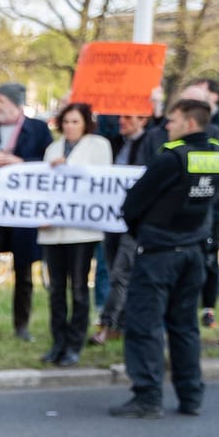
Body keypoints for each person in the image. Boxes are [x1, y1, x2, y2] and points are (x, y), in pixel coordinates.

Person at [109, 98, 219, 419]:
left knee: (145, 324)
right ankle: (191, 396)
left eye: (171, 121)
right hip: (194, 251)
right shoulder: (217, 156)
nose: (166, 126)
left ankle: (147, 396)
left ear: (189, 123)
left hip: (159, 252)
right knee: (185, 326)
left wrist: (140, 229)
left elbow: (133, 203)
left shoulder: (172, 158)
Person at [0, 83, 52, 344]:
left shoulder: (37, 129)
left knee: (24, 269)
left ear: (16, 103)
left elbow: (48, 165)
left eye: (1, 100)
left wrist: (20, 164)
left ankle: (22, 325)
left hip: (22, 210)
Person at [37, 102, 110, 367]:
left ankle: (75, 343)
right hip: (52, 230)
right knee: (55, 289)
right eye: (66, 122)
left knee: (78, 287)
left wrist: (68, 167)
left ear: (85, 123)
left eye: (75, 122)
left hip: (80, 231)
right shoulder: (52, 148)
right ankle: (58, 341)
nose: (69, 127)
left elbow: (99, 181)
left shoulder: (98, 145)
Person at [93, 112, 163, 345]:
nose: (123, 121)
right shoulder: (114, 144)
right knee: (115, 270)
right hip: (110, 219)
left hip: (133, 222)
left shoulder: (151, 143)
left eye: (130, 118)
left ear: (143, 121)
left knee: (121, 273)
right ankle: (121, 325)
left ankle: (107, 323)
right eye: (121, 117)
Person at [178, 79, 219, 325]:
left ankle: (209, 307)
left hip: (211, 204)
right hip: (182, 206)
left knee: (209, 256)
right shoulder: (176, 127)